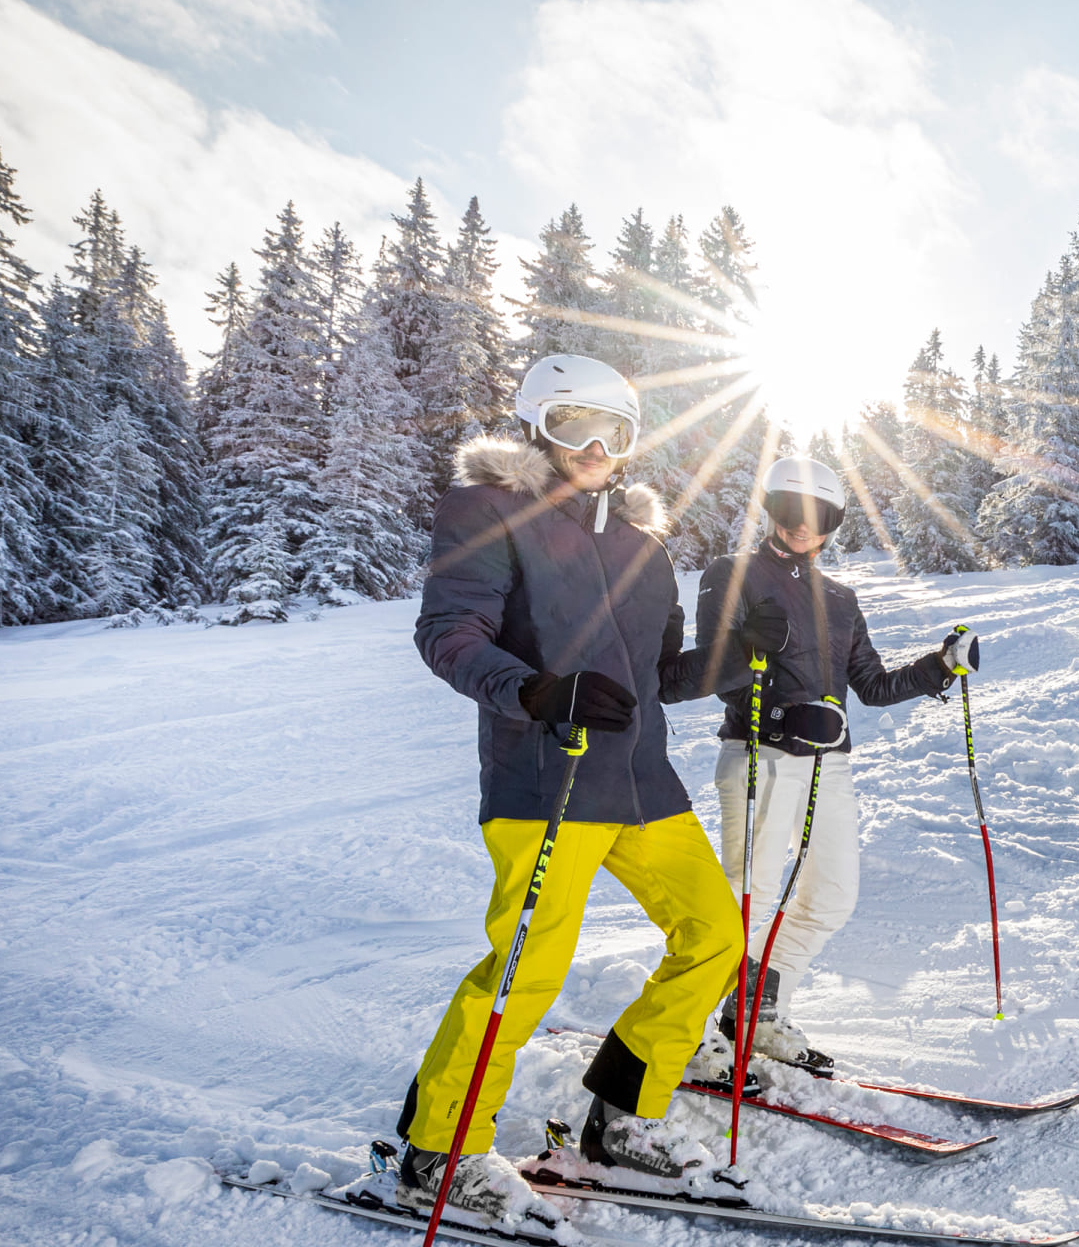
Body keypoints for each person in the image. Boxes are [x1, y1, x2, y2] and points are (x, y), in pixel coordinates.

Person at [399, 355, 787, 1224]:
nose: (597, 446)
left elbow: (656, 677)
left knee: (715, 936)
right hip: (546, 777)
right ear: (538, 423)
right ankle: (440, 1150)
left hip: (643, 782)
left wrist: (740, 655)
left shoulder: (645, 547)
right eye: (576, 424)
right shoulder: (487, 510)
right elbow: (447, 633)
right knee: (527, 971)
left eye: (616, 431)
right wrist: (532, 688)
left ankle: (621, 1117)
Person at [694, 456, 978, 1074]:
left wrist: (940, 664)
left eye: (818, 516)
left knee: (831, 895)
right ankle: (694, 1032)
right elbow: (714, 670)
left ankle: (757, 1012)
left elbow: (871, 686)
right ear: (771, 510)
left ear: (833, 524)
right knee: (748, 896)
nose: (803, 526)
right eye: (792, 512)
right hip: (759, 758)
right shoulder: (731, 573)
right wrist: (766, 690)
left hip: (830, 766)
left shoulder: (841, 599)